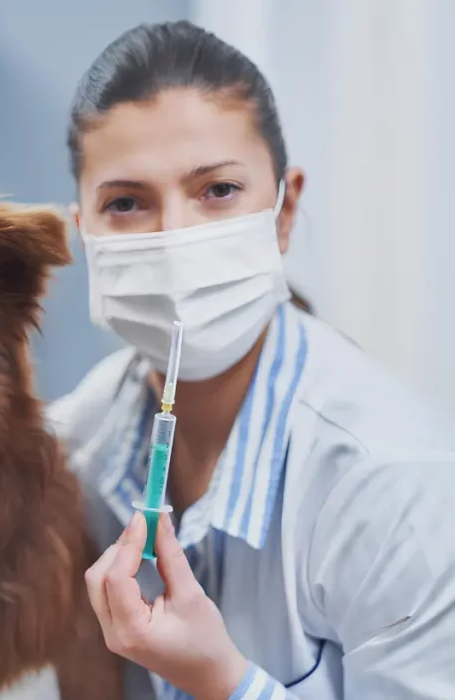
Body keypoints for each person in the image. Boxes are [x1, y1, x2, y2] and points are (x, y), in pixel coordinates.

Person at [47, 19, 455, 700]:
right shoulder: (70, 451)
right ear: (83, 234)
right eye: (126, 203)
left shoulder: (396, 494)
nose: (176, 239)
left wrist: (223, 682)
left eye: (218, 190)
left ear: (286, 209)